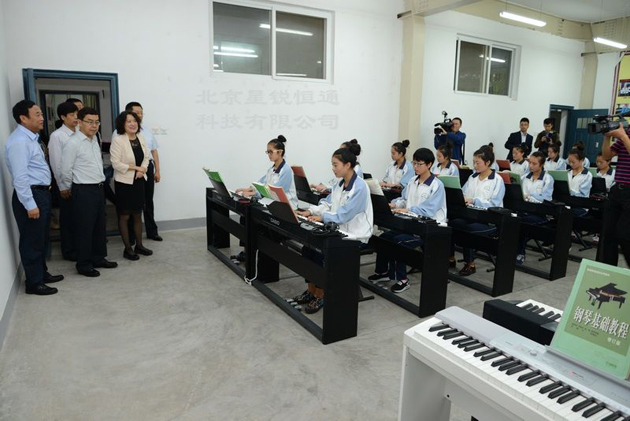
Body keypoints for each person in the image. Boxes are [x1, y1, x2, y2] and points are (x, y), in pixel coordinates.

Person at [295, 148, 374, 313]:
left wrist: (322, 217)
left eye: (335, 165)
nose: (333, 168)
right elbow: (327, 203)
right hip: (339, 229)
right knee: (308, 249)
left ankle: (321, 295)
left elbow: (344, 215)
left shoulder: (360, 187)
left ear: (348, 165)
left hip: (355, 235)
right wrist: (311, 211)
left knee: (320, 252)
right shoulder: (339, 184)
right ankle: (311, 291)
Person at [5, 100, 64, 295]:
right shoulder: (19, 142)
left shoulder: (31, 138)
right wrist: (30, 204)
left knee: (41, 238)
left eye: (41, 114)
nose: (42, 118)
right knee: (32, 241)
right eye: (37, 114)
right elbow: (20, 178)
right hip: (31, 195)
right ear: (23, 118)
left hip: (41, 193)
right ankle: (34, 283)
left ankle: (41, 274)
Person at [368, 148, 447, 293]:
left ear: (429, 164)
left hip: (429, 228)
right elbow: (404, 199)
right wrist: (394, 204)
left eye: (419, 164)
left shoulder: (437, 185)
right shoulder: (412, 181)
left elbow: (429, 210)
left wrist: (408, 209)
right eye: (414, 163)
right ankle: (383, 272)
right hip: (410, 224)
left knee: (399, 242)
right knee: (384, 238)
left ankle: (403, 280)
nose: (415, 167)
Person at [59, 107, 118, 277]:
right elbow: (65, 170)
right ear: (79, 122)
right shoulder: (73, 143)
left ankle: (98, 258)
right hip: (83, 190)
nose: (94, 125)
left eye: (97, 122)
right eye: (89, 122)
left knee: (99, 226)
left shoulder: (93, 140)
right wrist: (68, 188)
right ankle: (84, 264)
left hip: (98, 188)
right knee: (85, 228)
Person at [449, 146, 505, 276]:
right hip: (471, 215)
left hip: (489, 220)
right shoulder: (472, 177)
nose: (475, 166)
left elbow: (495, 204)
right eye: (474, 162)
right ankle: (450, 258)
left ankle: (470, 263)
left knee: (469, 230)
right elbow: (463, 194)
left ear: (488, 162)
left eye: (478, 163)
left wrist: (474, 201)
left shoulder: (497, 180)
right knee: (452, 224)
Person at [110, 111, 153, 260]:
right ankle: (128, 249)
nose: (132, 124)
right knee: (125, 215)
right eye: (128, 121)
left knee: (137, 214)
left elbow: (146, 157)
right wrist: (136, 168)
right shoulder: (118, 140)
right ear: (122, 124)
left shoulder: (140, 137)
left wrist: (143, 169)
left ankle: (139, 246)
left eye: (134, 121)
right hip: (124, 183)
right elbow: (115, 163)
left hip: (139, 181)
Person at [125, 102, 162, 241]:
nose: (140, 115)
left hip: (147, 167)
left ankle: (152, 231)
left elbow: (154, 151)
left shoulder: (147, 131)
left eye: (141, 113)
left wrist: (157, 171)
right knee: (132, 202)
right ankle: (132, 235)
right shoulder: (119, 132)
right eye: (137, 113)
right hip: (131, 169)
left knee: (148, 200)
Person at [48, 101, 79, 261]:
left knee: (79, 218)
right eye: (72, 115)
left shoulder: (80, 132)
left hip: (81, 183)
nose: (75, 117)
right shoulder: (57, 136)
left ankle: (79, 248)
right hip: (66, 185)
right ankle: (69, 251)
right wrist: (63, 186)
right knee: (67, 220)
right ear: (63, 117)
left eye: (76, 114)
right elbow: (56, 163)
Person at [515, 152, 554, 265]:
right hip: (523, 210)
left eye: (534, 163)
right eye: (530, 163)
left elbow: (546, 198)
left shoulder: (547, 179)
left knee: (522, 224)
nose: (531, 166)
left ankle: (520, 253)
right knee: (512, 220)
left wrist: (529, 196)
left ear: (541, 165)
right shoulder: (524, 177)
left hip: (539, 214)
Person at [600, 124, 630, 266]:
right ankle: (609, 271)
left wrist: (623, 136)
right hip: (617, 189)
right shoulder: (627, 133)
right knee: (608, 235)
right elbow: (606, 156)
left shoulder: (624, 135)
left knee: (624, 235)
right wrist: (607, 137)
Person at [566, 144, 593, 217]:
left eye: (573, 162)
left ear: (581, 160)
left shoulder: (587, 175)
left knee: (566, 214)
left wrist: (569, 192)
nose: (571, 164)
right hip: (567, 202)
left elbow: (583, 195)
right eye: (569, 161)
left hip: (580, 205)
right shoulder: (567, 173)